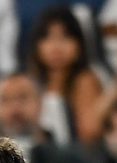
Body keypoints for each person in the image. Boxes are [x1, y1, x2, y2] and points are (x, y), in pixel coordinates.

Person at [26, 5, 104, 144]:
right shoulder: (31, 82)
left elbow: (90, 132)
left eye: (65, 37)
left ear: (79, 43)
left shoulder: (84, 80)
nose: (56, 46)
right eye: (47, 37)